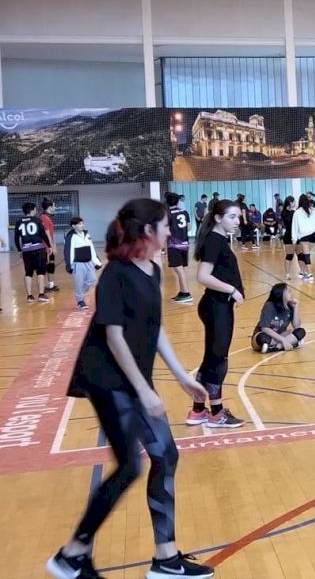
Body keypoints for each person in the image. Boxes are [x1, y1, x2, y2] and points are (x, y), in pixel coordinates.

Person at [49, 198, 214, 579]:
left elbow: (155, 328)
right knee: (129, 466)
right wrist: (143, 390)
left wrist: (182, 377)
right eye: (165, 226)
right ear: (148, 231)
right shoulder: (115, 274)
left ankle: (166, 558)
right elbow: (114, 335)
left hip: (135, 380)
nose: (171, 231)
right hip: (106, 381)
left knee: (165, 455)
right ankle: (72, 554)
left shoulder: (153, 269)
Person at [191, 199, 246, 429]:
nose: (237, 221)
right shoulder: (214, 240)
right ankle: (216, 413)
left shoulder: (218, 239)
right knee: (218, 361)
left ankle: (197, 410)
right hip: (217, 306)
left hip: (217, 306)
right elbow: (203, 276)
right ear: (217, 218)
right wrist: (232, 290)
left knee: (210, 359)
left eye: (238, 217)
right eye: (232, 217)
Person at [251, 283, 306, 353]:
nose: (291, 293)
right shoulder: (269, 305)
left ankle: (275, 348)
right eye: (288, 291)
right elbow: (265, 328)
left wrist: (296, 307)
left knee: (300, 331)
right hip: (266, 336)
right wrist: (283, 340)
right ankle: (291, 343)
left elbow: (297, 326)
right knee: (262, 338)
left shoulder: (290, 306)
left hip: (279, 335)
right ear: (281, 294)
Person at [63, 217, 102, 310]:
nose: (82, 225)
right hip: (78, 264)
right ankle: (80, 301)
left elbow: (91, 248)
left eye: (82, 223)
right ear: (73, 226)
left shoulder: (86, 234)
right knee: (79, 283)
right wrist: (70, 265)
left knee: (92, 279)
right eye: (79, 224)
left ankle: (80, 293)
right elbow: (68, 251)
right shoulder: (70, 236)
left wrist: (97, 262)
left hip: (88, 262)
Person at [16, 201, 51, 303]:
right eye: (35, 209)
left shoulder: (19, 222)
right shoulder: (37, 220)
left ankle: (29, 296)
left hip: (26, 250)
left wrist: (19, 250)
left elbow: (16, 238)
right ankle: (41, 295)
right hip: (38, 248)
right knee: (41, 272)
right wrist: (49, 246)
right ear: (33, 210)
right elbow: (43, 234)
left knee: (28, 272)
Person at [163, 193, 193, 305]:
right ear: (177, 201)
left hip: (174, 245)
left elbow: (166, 232)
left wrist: (164, 248)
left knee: (178, 269)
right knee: (181, 269)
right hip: (184, 244)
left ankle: (186, 294)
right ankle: (182, 292)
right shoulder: (184, 212)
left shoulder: (167, 214)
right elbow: (189, 228)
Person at [291, 195, 315, 282]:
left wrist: (294, 239)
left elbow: (295, 227)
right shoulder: (314, 210)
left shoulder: (297, 212)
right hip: (314, 235)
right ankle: (303, 271)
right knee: (304, 254)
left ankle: (309, 274)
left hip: (304, 235)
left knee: (306, 255)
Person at [39, 198, 62, 293]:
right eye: (54, 206)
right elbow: (47, 233)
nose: (55, 208)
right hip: (45, 247)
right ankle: (42, 287)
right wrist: (51, 247)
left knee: (51, 265)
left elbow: (52, 234)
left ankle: (51, 285)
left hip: (49, 246)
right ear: (49, 207)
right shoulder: (44, 217)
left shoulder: (48, 218)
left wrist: (54, 245)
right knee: (45, 266)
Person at [280, 196, 298, 280]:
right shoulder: (284, 213)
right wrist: (294, 212)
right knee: (290, 255)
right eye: (294, 202)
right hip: (288, 236)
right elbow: (289, 221)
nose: (295, 203)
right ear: (290, 203)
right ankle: (287, 274)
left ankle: (304, 272)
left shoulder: (294, 212)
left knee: (301, 255)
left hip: (297, 235)